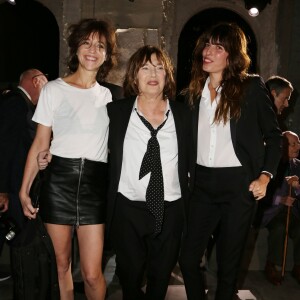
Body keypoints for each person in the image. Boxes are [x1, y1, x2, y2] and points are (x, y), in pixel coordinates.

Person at [178, 22, 282, 300]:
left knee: (228, 267)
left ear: (231, 55)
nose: (208, 51)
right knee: (188, 259)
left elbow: (274, 137)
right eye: (207, 44)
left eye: (218, 46)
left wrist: (265, 176)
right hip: (201, 186)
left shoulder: (250, 87)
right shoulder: (192, 94)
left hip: (238, 187)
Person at [19, 18, 117, 300]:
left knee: (92, 273)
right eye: (86, 42)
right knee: (62, 266)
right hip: (58, 184)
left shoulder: (109, 96)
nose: (92, 49)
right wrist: (24, 190)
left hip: (93, 188)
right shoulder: (53, 90)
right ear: (75, 48)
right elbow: (40, 141)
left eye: (100, 45)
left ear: (107, 54)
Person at [106, 45, 191, 300]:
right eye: (145, 67)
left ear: (167, 77)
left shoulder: (185, 115)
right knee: (129, 280)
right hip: (128, 209)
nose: (153, 73)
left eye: (159, 67)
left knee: (160, 278)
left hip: (171, 208)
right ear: (134, 76)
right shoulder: (116, 112)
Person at [0, 69, 48, 281]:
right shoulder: (16, 103)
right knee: (17, 237)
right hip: (10, 187)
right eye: (46, 84)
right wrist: (2, 190)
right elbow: (4, 147)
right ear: (36, 81)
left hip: (15, 185)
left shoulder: (20, 104)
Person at [262, 131, 300, 286]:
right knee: (279, 229)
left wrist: (297, 188)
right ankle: (272, 265)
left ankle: (298, 267)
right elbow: (265, 195)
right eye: (293, 144)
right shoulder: (273, 164)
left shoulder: (298, 165)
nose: (298, 147)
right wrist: (281, 199)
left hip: (294, 212)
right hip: (274, 212)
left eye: (298, 143)